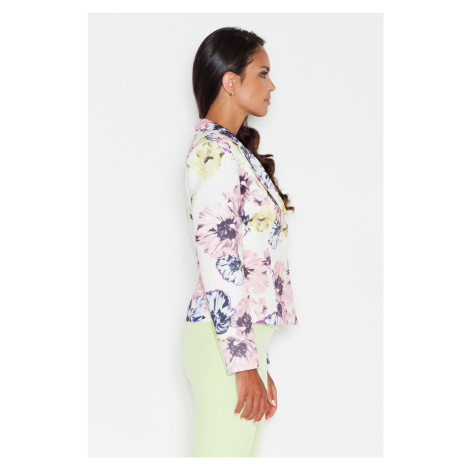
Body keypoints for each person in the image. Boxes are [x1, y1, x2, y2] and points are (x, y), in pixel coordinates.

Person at [181, 26, 299, 457]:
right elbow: (221, 261)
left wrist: (258, 361)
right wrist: (243, 362)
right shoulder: (211, 152)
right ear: (230, 81)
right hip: (225, 347)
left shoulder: (234, 151)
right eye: (262, 74)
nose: (271, 85)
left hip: (238, 344)